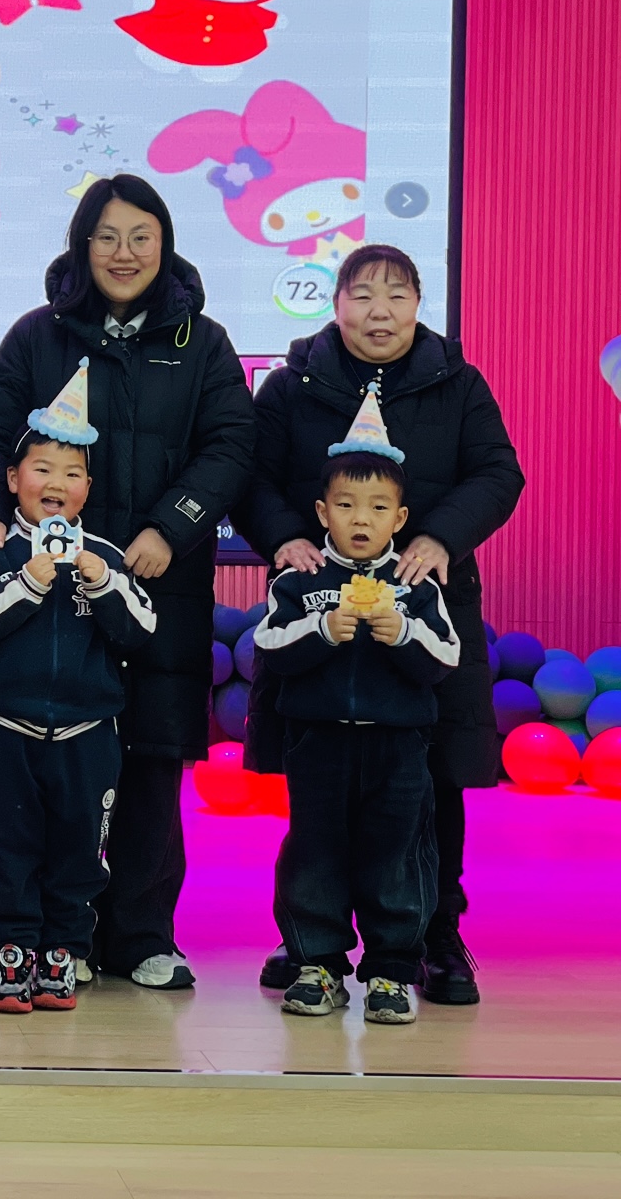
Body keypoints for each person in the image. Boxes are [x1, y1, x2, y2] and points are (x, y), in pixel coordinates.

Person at [0, 174, 253, 991]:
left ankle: (144, 935)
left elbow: (231, 446)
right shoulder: (37, 336)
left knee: (151, 762)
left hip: (159, 583)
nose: (125, 254)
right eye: (108, 237)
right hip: (48, 597)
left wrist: (171, 528)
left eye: (141, 237)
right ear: (82, 245)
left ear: (165, 245)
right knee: (55, 775)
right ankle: (64, 935)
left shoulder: (204, 343)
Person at [233, 244, 522, 1006]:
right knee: (317, 790)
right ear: (336, 305)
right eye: (362, 295)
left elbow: (499, 473)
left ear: (419, 305)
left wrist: (442, 538)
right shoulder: (292, 385)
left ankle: (436, 935)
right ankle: (311, 941)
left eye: (397, 296)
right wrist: (283, 538)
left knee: (433, 779)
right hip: (317, 601)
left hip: (427, 597)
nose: (380, 312)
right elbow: (250, 475)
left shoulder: (458, 382)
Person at [0, 365, 156, 1014]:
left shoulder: (106, 556)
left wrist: (104, 582)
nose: (56, 484)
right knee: (6, 848)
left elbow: (142, 629)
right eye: (42, 469)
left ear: (88, 487)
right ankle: (12, 953)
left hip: (86, 735)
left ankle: (63, 951)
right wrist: (29, 583)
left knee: (79, 850)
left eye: (72, 473)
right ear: (13, 479)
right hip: (3, 732)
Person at [253, 391, 460, 1026]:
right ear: (322, 512)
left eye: (377, 507)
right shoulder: (300, 580)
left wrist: (402, 633)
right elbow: (269, 644)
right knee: (314, 853)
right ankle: (316, 963)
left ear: (400, 518)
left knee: (395, 856)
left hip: (398, 746)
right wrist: (322, 631)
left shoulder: (414, 585)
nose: (360, 519)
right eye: (345, 505)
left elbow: (446, 656)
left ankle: (393, 968)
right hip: (318, 743)